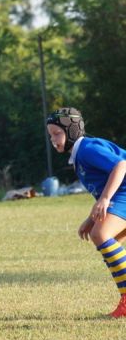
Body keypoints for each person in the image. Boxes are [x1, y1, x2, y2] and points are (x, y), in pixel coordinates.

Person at [47, 107, 126, 317]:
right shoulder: (78, 156)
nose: (53, 139)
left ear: (72, 132)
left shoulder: (87, 149)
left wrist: (105, 199)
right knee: (107, 240)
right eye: (50, 135)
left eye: (57, 133)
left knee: (101, 235)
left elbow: (121, 165)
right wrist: (91, 218)